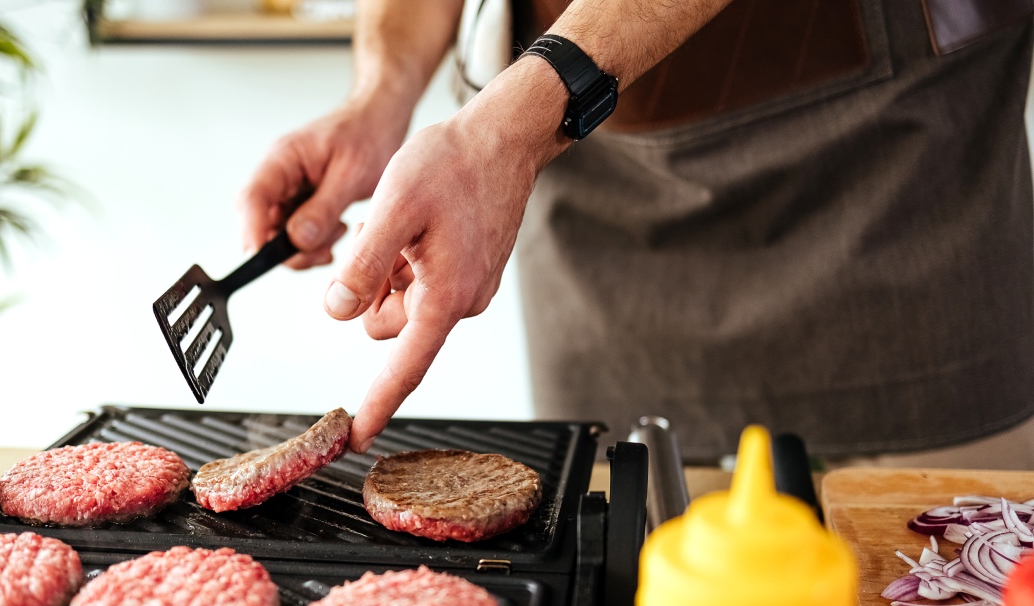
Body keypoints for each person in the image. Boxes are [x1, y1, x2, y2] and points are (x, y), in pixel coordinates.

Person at [239, 0, 1034, 465]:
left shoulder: (522, 123)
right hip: (580, 176)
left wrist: (516, 122)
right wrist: (382, 94)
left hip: (883, 174)